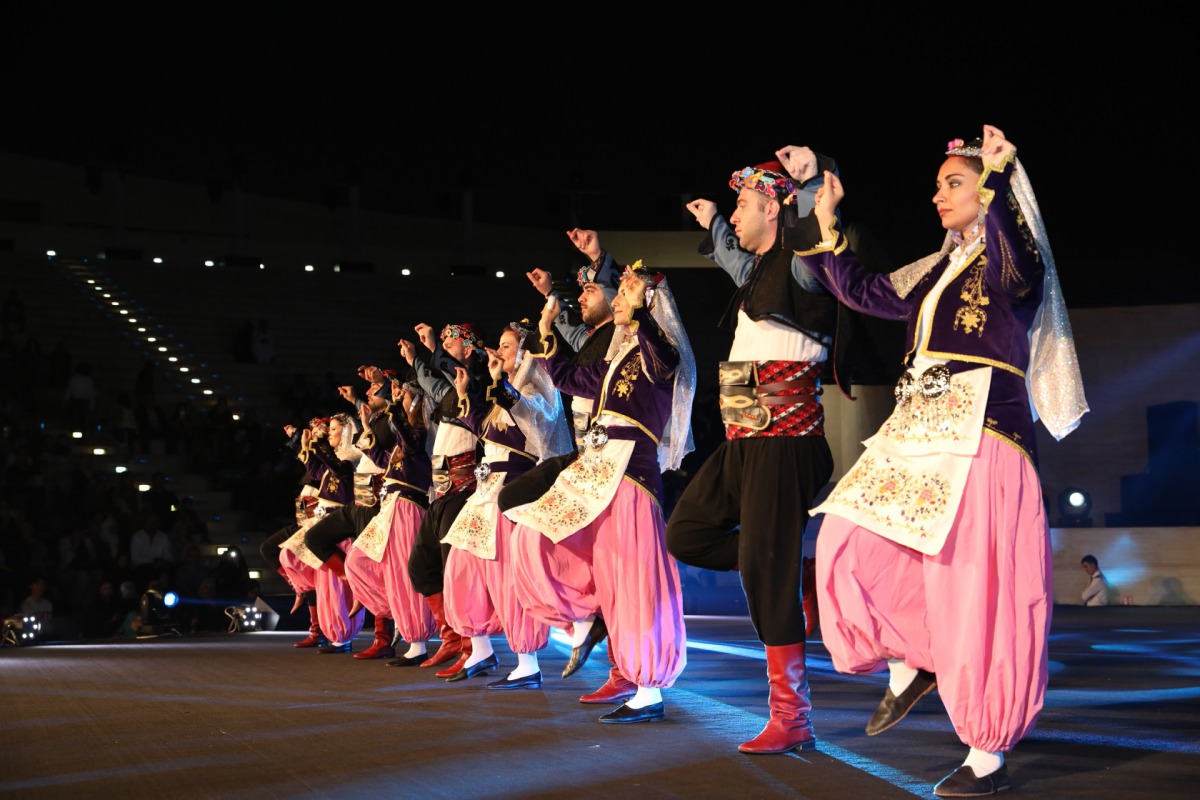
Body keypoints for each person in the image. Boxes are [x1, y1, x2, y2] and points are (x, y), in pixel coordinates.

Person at [791, 125, 1089, 797]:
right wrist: (824, 220)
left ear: (986, 190)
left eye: (951, 183)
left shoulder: (1015, 264)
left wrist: (1003, 170)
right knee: (845, 539)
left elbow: (1019, 262)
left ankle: (985, 752)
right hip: (918, 432)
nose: (936, 196)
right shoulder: (936, 269)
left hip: (986, 434)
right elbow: (865, 291)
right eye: (936, 185)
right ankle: (912, 659)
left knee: (973, 588)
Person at [665, 147, 846, 755]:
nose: (736, 219)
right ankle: (788, 570)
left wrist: (810, 178)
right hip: (745, 436)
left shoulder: (800, 264)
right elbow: (732, 253)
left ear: (774, 207)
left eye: (744, 205)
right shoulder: (759, 272)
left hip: (785, 441)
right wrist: (715, 219)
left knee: (764, 574)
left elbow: (816, 225)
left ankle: (793, 718)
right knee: (686, 534)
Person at [508, 263, 696, 723]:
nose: (615, 303)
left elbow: (664, 363)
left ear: (646, 305)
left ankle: (647, 690)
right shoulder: (615, 358)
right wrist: (547, 332)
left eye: (623, 296)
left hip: (631, 474)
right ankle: (587, 616)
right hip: (595, 469)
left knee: (633, 576)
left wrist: (642, 312)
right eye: (617, 297)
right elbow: (571, 379)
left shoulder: (658, 351)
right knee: (532, 536)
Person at [439, 320, 572, 687]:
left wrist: (503, 386)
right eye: (498, 345)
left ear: (526, 353)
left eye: (506, 346)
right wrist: (467, 398)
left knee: (505, 576)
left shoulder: (535, 388)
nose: (498, 352)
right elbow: (488, 431)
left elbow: (537, 421)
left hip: (510, 488)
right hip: (484, 491)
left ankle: (527, 662)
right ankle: (480, 650)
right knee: (460, 567)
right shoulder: (504, 390)